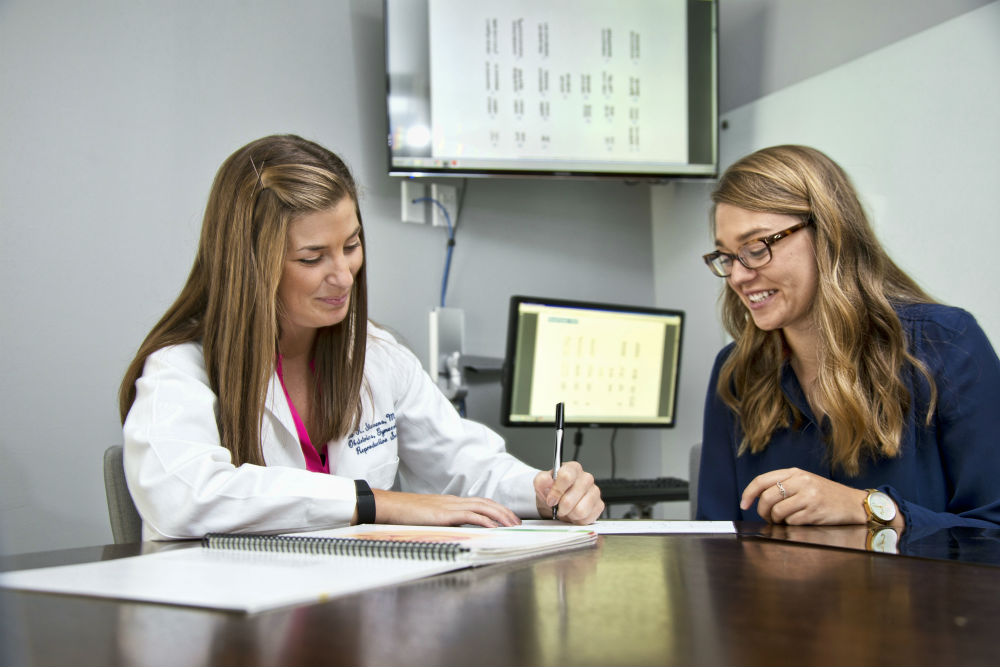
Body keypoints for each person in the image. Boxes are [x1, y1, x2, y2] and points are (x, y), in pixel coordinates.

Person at [119, 134, 603, 540]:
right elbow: (184, 497)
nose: (345, 276)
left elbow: (463, 464)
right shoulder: (180, 369)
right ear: (249, 267)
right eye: (312, 258)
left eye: (351, 246)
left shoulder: (375, 357)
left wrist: (542, 489)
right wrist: (376, 504)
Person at [696, 144, 1000, 533]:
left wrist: (870, 509)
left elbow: (993, 529)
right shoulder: (736, 371)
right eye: (726, 256)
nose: (738, 277)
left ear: (829, 235)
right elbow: (717, 537)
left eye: (756, 248)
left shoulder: (945, 342)